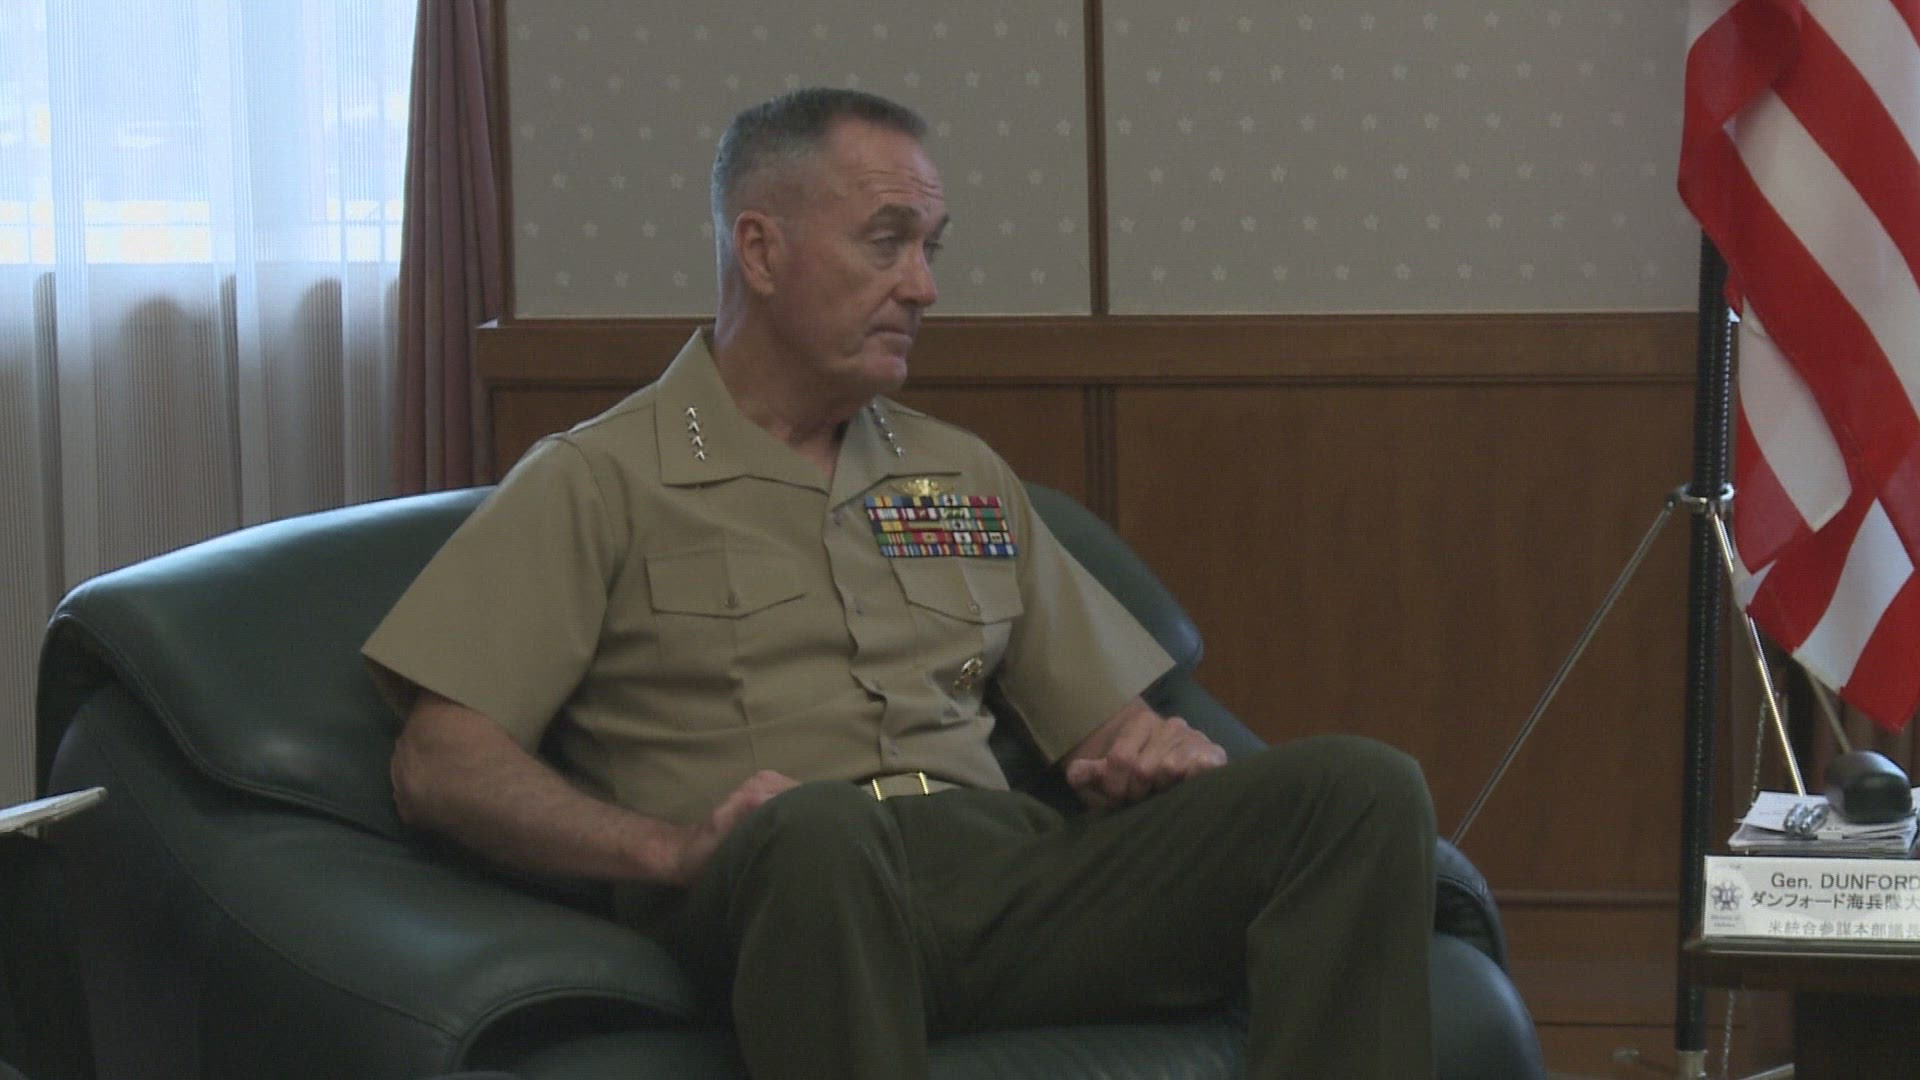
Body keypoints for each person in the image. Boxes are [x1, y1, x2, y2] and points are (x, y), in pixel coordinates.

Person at [364, 87, 1436, 1079]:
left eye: (930, 248)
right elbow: (441, 762)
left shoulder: (956, 475)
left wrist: (1155, 754)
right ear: (761, 250)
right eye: (886, 242)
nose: (922, 286)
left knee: (1359, 790)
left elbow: (1109, 729)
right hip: (785, 892)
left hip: (1002, 883)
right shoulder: (599, 478)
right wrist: (666, 849)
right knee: (818, 829)